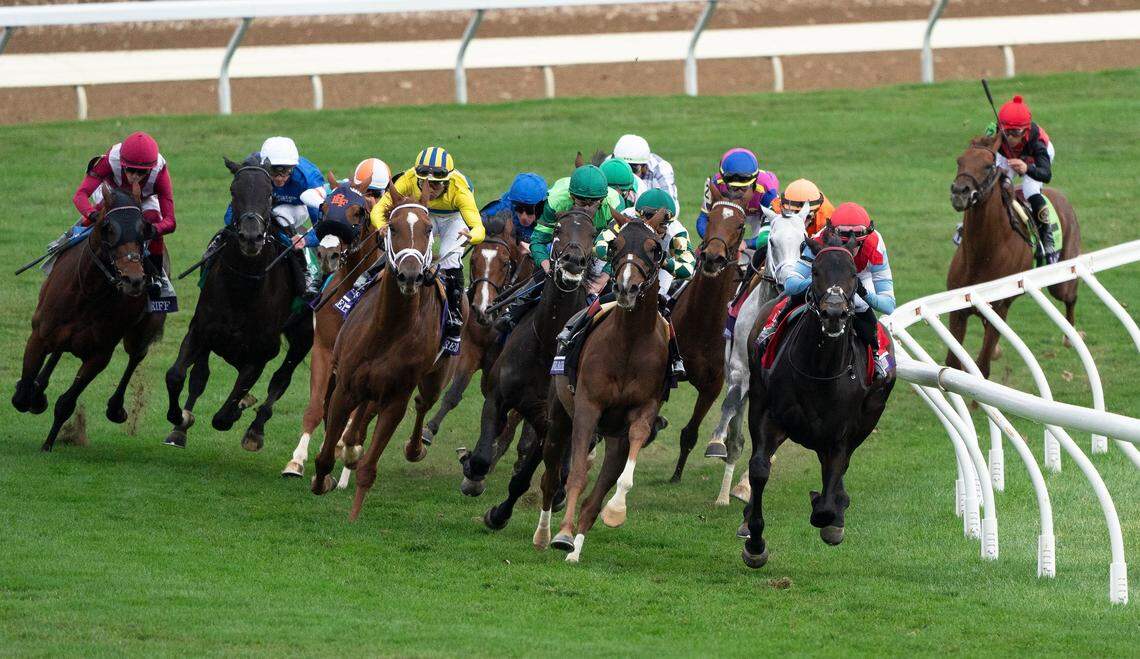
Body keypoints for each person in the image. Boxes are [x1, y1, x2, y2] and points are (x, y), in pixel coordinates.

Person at [760, 202, 895, 379]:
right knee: (797, 295)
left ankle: (877, 353)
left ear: (867, 236)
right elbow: (791, 284)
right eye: (844, 242)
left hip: (859, 275)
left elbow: (889, 306)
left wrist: (864, 293)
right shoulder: (819, 240)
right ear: (831, 234)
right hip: (826, 273)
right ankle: (773, 327)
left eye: (858, 243)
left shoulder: (875, 244)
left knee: (860, 304)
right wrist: (818, 280)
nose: (851, 249)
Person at [370, 147, 485, 355]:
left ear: (447, 181)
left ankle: (454, 316)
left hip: (453, 220)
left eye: (435, 184)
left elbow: (478, 228)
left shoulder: (460, 189)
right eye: (424, 182)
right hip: (424, 213)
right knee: (407, 247)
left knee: (449, 257)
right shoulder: (407, 178)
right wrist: (381, 226)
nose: (429, 188)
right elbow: (379, 209)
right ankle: (366, 280)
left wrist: (471, 236)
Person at [60, 131, 178, 311]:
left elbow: (170, 221)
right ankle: (62, 246)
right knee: (100, 214)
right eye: (130, 170)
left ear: (151, 169)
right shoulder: (110, 159)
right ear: (122, 163)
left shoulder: (160, 171)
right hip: (113, 193)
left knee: (153, 218)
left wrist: (153, 230)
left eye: (142, 172)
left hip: (143, 199)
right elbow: (80, 195)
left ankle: (157, 276)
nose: (135, 176)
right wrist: (93, 216)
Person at [493, 165, 619, 333]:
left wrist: (604, 278)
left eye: (593, 203)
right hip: (566, 239)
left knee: (611, 283)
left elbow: (619, 248)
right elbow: (538, 240)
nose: (587, 208)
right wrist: (547, 267)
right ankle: (514, 310)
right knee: (544, 273)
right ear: (571, 197)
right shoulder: (556, 202)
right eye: (582, 202)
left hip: (598, 243)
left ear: (602, 200)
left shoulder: (615, 205)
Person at [218, 136, 328, 300]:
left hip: (299, 206)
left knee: (281, 215)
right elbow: (232, 213)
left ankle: (307, 270)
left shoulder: (308, 178)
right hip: (265, 206)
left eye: (286, 171)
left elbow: (322, 224)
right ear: (264, 166)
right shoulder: (253, 169)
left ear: (294, 167)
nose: (280, 178)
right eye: (274, 171)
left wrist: (305, 240)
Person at [991, 94, 1059, 265]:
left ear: (1026, 131)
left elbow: (1046, 174)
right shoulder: (996, 133)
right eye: (1006, 131)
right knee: (995, 185)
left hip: (1033, 159)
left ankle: (1047, 238)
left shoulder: (1037, 142)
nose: (1010, 137)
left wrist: (1027, 168)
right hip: (1008, 156)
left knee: (1031, 191)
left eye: (1015, 132)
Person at [694, 148, 779, 262]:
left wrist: (746, 243)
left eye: (744, 188)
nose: (738, 193)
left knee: (764, 252)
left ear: (754, 182)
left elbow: (773, 233)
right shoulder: (714, 183)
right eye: (733, 187)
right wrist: (714, 240)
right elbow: (703, 219)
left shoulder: (768, 190)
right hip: (729, 212)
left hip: (758, 213)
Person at [612, 134, 679, 216]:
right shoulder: (609, 166)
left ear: (645, 166)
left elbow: (669, 207)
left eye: (633, 168)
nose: (628, 174)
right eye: (622, 168)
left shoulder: (661, 169)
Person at [477, 172, 549, 250]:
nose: (523, 217)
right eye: (518, 208)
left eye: (530, 210)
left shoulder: (552, 214)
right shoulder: (503, 208)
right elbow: (476, 222)